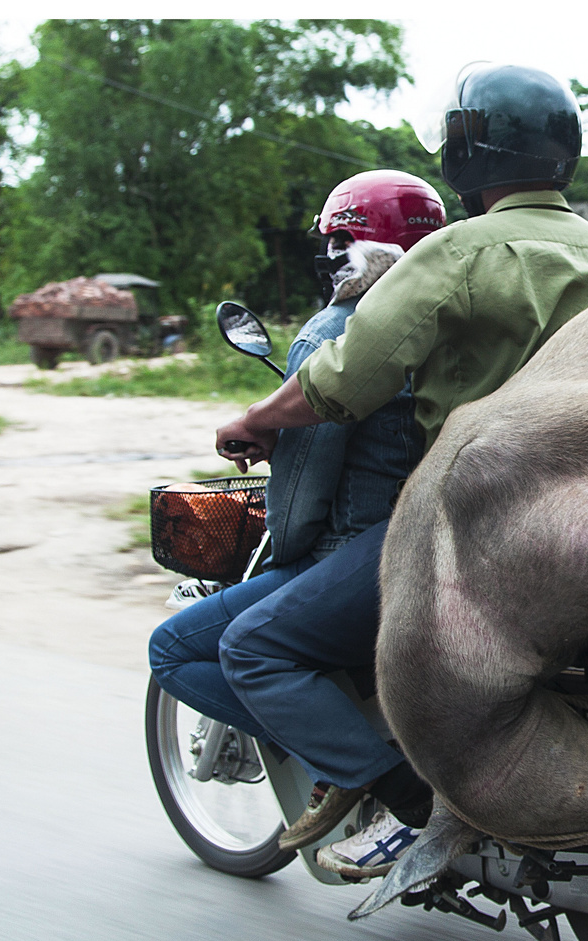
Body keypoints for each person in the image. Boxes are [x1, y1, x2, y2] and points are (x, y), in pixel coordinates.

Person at [212, 63, 588, 880]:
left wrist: (252, 422)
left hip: (470, 522)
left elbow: (344, 381)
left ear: (468, 151)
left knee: (254, 645)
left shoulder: (456, 253)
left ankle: (415, 809)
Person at [148, 169, 446, 830]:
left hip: (360, 552)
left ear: (348, 248)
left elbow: (305, 500)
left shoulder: (333, 331)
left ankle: (362, 773)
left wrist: (284, 549)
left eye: (334, 241)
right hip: (452, 538)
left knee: (175, 649)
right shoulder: (451, 327)